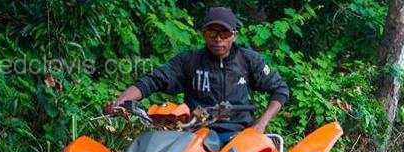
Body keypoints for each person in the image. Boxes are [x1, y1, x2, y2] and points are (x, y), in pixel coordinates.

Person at [104, 7, 289, 137]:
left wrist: (261, 124)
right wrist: (121, 102)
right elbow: (153, 80)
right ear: (203, 34)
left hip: (239, 133)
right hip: (195, 133)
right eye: (212, 33)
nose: (218, 39)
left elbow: (280, 90)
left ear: (234, 35)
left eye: (224, 34)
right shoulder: (189, 60)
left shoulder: (249, 60)